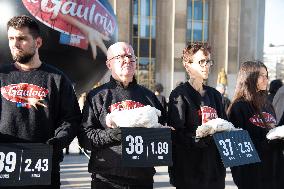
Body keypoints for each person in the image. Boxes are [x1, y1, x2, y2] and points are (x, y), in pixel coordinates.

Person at [0, 15, 81, 189]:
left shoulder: (57, 79)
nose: (14, 44)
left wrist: (56, 143)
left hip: (44, 168)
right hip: (4, 166)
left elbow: (71, 119)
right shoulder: (1, 76)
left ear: (38, 42)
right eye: (11, 38)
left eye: (21, 38)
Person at [79, 42, 166, 189]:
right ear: (109, 64)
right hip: (107, 180)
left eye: (130, 56)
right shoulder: (97, 96)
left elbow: (162, 132)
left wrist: (164, 133)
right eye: (120, 56)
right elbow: (85, 137)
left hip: (142, 180)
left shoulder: (149, 97)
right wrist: (114, 134)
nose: (127, 60)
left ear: (136, 62)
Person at [167, 42, 226, 189]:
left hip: (214, 172)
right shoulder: (179, 95)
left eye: (208, 61)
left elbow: (226, 126)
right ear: (187, 65)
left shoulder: (215, 95)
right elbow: (175, 134)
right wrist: (201, 139)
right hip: (189, 172)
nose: (206, 65)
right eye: (201, 62)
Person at [227, 61, 284, 189]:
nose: (266, 79)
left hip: (275, 176)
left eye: (266, 75)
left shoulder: (268, 105)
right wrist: (269, 141)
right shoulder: (238, 107)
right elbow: (237, 152)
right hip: (253, 178)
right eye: (261, 75)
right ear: (249, 78)